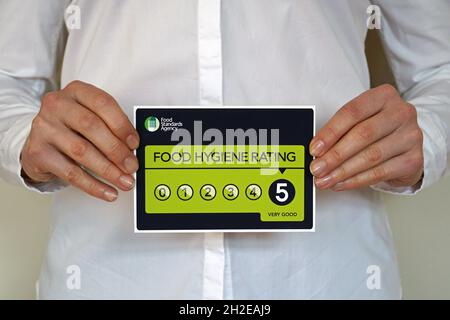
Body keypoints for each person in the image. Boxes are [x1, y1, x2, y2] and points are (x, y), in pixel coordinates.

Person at [0, 0, 449, 299]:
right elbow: (7, 79)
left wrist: (425, 135)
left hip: (324, 275)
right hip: (111, 277)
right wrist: (25, 136)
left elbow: (440, 71)